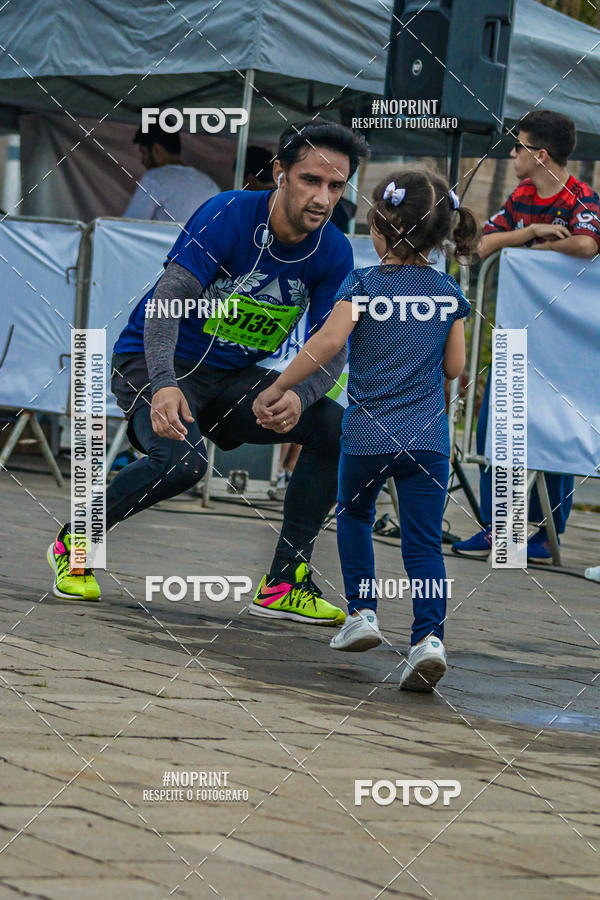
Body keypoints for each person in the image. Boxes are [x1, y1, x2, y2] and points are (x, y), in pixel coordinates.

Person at [46, 119, 369, 627]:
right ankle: (77, 540)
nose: (323, 198)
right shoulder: (227, 216)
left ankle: (285, 581)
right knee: (182, 464)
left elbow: (332, 344)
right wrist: (163, 384)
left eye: (336, 185)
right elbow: (164, 304)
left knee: (335, 426)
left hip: (231, 378)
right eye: (311, 180)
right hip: (156, 361)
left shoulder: (333, 250)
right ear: (281, 174)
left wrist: (300, 394)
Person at [253, 170, 479, 691]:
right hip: (426, 439)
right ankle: (429, 640)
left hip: (368, 436)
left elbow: (327, 343)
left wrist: (281, 386)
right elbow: (454, 366)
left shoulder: (363, 284)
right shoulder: (448, 293)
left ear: (378, 229)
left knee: (354, 517)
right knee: (423, 544)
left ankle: (363, 614)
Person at [453, 110, 600, 562]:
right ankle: (500, 527)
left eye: (517, 147)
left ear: (539, 154)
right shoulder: (520, 197)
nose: (512, 154)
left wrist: (535, 249)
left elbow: (587, 244)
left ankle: (542, 534)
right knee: (494, 426)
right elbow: (479, 245)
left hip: (566, 348)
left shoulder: (583, 197)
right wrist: (531, 232)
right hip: (518, 336)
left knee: (554, 434)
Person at [124, 120, 219, 222]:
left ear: (156, 150)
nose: (142, 160)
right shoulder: (210, 185)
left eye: (143, 152)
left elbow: (127, 225)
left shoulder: (155, 178)